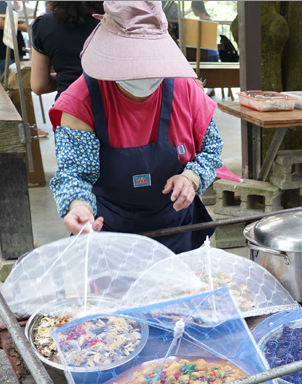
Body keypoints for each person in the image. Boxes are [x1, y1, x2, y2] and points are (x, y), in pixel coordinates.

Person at [48, 1, 222, 254]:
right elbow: (75, 174)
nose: (143, 72)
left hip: (174, 228)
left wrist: (191, 178)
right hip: (108, 232)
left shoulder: (186, 91)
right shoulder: (82, 101)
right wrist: (78, 206)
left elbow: (211, 151)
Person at [30, 2, 104, 99]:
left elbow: (39, 86)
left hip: (68, 107)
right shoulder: (116, 25)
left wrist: (66, 77)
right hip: (109, 108)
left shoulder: (44, 25)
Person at [0, 1, 26, 77]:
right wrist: (22, 27)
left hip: (5, 49)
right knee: (8, 82)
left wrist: (18, 23)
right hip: (5, 49)